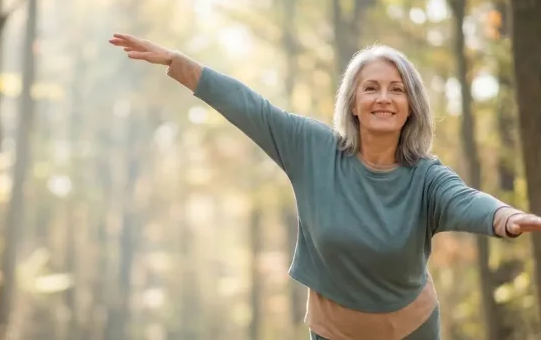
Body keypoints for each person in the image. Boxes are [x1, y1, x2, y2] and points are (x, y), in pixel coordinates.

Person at [108, 33, 541, 340]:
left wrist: (506, 217)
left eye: (396, 90)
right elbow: (250, 107)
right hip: (334, 331)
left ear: (411, 107)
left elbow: (464, 200)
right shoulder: (312, 149)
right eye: (370, 88)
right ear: (352, 102)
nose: (383, 98)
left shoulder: (426, 176)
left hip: (411, 329)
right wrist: (177, 63)